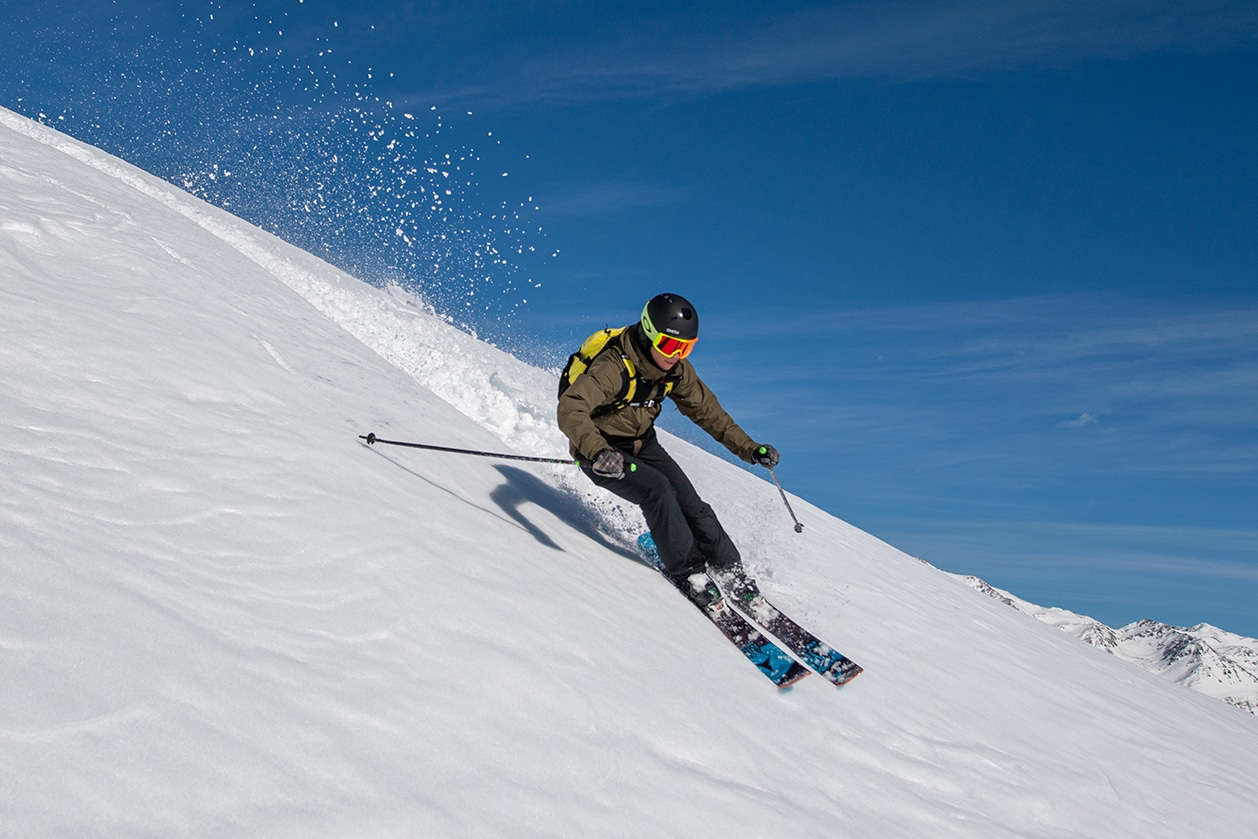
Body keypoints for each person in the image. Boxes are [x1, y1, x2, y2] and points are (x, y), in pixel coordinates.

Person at [556, 292, 780, 605]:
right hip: (602, 450)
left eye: (686, 348)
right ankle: (691, 574)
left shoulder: (675, 371)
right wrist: (596, 451)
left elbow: (709, 413)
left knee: (692, 504)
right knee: (658, 490)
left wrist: (750, 449)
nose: (676, 355)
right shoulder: (614, 367)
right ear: (649, 334)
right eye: (670, 345)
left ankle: (731, 572)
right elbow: (572, 406)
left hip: (643, 443)